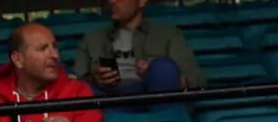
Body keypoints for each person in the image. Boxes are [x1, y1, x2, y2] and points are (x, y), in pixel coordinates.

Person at [0, 23, 103, 122]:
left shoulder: (78, 91)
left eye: (55, 47)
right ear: (18, 59)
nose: (54, 55)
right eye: (43, 49)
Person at [74, 0, 204, 96]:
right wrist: (95, 79)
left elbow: (195, 81)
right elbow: (73, 85)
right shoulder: (92, 39)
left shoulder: (168, 35)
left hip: (153, 99)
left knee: (163, 68)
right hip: (109, 101)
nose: (111, 1)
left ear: (141, 1)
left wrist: (154, 73)